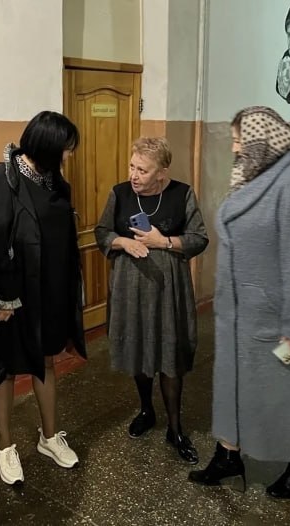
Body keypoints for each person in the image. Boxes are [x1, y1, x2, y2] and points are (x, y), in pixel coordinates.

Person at [189, 106, 290, 500]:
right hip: (240, 314)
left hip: (277, 318)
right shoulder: (254, 177)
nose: (235, 149)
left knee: (288, 391)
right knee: (235, 386)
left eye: (239, 140)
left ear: (262, 141)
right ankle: (228, 454)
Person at [0, 111, 87, 485]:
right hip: (13, 297)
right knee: (6, 369)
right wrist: (1, 299)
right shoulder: (4, 178)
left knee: (46, 361)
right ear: (47, 147)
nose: (69, 155)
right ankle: (6, 447)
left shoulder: (55, 180)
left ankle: (49, 437)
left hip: (50, 291)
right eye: (66, 149)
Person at [94, 137, 208, 464]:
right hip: (130, 287)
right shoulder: (119, 193)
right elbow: (102, 231)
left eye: (142, 170)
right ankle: (146, 410)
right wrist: (122, 243)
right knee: (138, 348)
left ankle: (176, 428)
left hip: (169, 288)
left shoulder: (182, 193)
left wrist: (165, 241)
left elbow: (199, 238)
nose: (134, 175)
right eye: (132, 167)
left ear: (162, 172)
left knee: (169, 354)